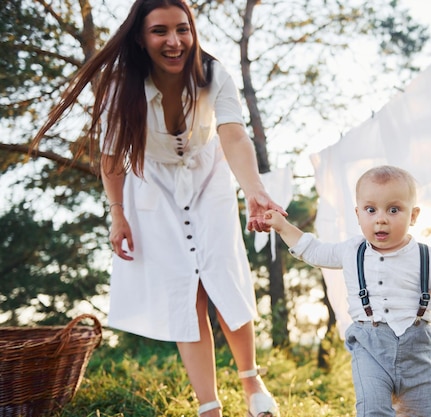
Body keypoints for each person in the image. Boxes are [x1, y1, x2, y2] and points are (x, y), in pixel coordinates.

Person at [30, 1, 285, 416]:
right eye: (160, 31)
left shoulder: (213, 74)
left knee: (223, 273)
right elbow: (111, 158)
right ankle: (209, 406)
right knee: (187, 291)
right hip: (153, 185)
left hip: (208, 176)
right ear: (139, 37)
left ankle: (251, 381)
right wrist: (118, 213)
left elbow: (234, 136)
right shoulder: (120, 86)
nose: (174, 41)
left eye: (182, 29)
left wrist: (253, 189)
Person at [264, 165, 431, 417]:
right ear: (358, 215)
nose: (381, 218)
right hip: (369, 345)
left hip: (417, 353)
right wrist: (283, 226)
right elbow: (315, 251)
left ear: (413, 215)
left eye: (394, 209)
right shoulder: (351, 250)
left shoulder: (426, 257)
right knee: (373, 410)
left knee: (416, 413)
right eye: (371, 210)